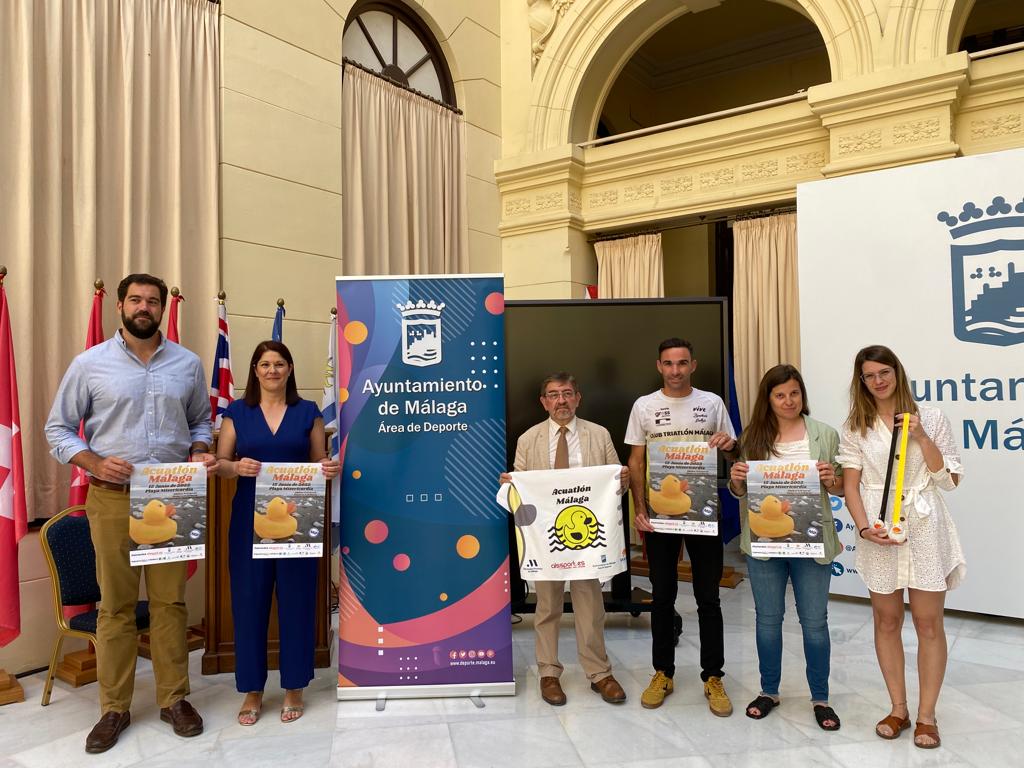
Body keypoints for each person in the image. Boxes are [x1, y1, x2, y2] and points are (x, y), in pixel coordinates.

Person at [45, 274, 214, 754]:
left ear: (162, 309)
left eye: (153, 301)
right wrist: (94, 461)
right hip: (113, 498)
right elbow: (57, 429)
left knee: (170, 605)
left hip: (171, 496)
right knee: (116, 607)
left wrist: (201, 447)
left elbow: (201, 419)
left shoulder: (187, 363)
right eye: (136, 299)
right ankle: (114, 707)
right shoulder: (90, 364)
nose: (145, 307)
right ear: (119, 306)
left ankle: (173, 699)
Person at [838, 345, 965, 749]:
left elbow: (950, 480)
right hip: (879, 529)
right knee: (886, 621)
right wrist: (862, 527)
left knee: (929, 623)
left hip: (925, 527)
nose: (878, 381)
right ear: (861, 381)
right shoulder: (855, 426)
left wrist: (922, 437)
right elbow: (851, 484)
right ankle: (898, 708)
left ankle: (927, 717)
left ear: (897, 372)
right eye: (869, 375)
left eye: (884, 372)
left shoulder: (930, 417)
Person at [215, 340, 339, 725]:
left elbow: (320, 460)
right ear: (254, 370)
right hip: (247, 524)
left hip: (297, 523)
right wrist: (235, 469)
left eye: (279, 364)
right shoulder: (237, 412)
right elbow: (220, 463)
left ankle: (294, 686)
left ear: (289, 369)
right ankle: (252, 690)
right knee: (249, 603)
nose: (272, 370)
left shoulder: (309, 413)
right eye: (265, 364)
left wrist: (328, 468)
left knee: (297, 601)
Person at [500, 373, 629, 706]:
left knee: (590, 604)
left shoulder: (598, 435)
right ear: (543, 401)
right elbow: (521, 494)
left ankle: (599, 673)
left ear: (578, 398)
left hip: (587, 539)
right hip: (545, 542)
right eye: (554, 395)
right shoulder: (528, 440)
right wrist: (510, 485)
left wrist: (624, 479)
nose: (561, 401)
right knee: (547, 607)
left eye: (567, 394)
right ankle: (548, 672)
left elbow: (617, 485)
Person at [727, 364, 842, 731]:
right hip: (764, 545)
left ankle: (820, 698)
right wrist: (737, 481)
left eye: (794, 393)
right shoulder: (752, 437)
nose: (788, 401)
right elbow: (740, 493)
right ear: (769, 399)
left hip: (811, 542)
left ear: (802, 394)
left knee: (814, 623)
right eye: (780, 395)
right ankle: (769, 691)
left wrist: (832, 479)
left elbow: (841, 488)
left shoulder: (824, 434)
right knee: (768, 620)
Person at [626, 338, 737, 715]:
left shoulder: (712, 403)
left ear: (693, 365)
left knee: (709, 596)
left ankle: (713, 677)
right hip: (658, 516)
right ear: (659, 366)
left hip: (703, 512)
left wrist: (729, 444)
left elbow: (734, 450)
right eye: (669, 364)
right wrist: (640, 509)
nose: (676, 370)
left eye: (682, 363)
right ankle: (663, 673)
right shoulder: (644, 406)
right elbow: (636, 462)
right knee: (662, 596)